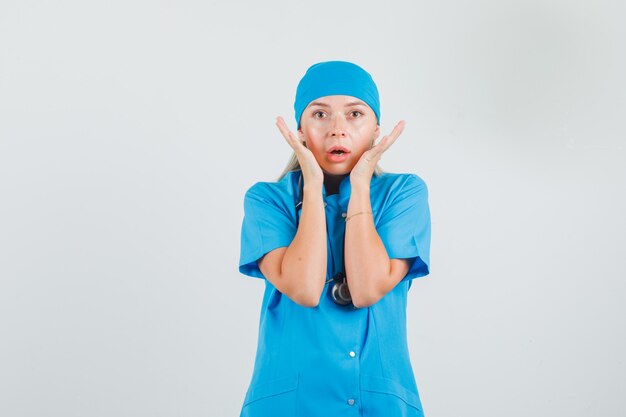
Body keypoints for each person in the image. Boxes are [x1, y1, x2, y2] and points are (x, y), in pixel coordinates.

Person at [238, 60, 431, 417]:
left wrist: (360, 184)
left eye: (355, 114)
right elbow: (305, 288)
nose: (337, 130)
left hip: (380, 404)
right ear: (299, 129)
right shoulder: (267, 200)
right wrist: (311, 185)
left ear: (376, 130)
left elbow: (366, 288)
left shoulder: (403, 193)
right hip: (289, 406)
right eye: (320, 115)